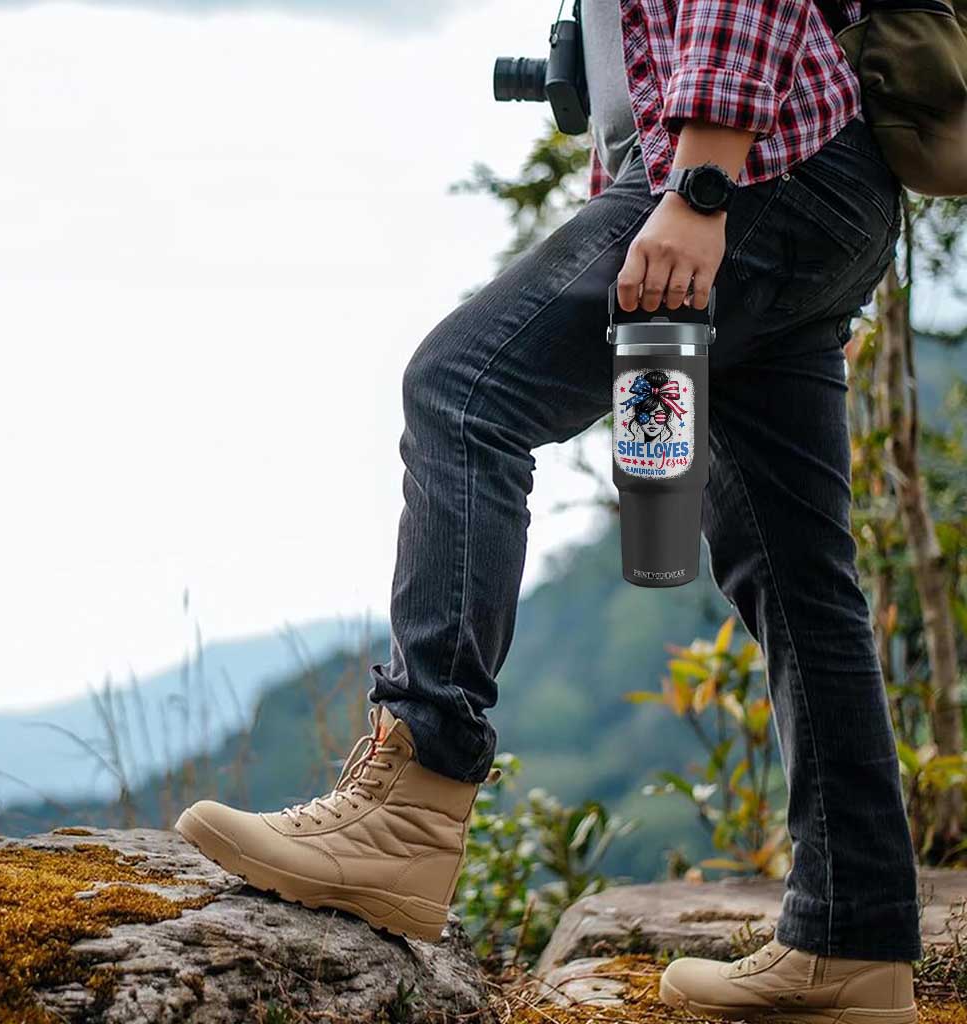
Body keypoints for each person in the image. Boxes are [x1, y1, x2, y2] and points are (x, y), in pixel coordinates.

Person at [177, 0, 922, 1017]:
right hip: (815, 183)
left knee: (463, 389)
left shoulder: (716, 174)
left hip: (750, 170)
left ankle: (410, 805)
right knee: (793, 569)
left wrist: (699, 186)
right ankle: (853, 939)